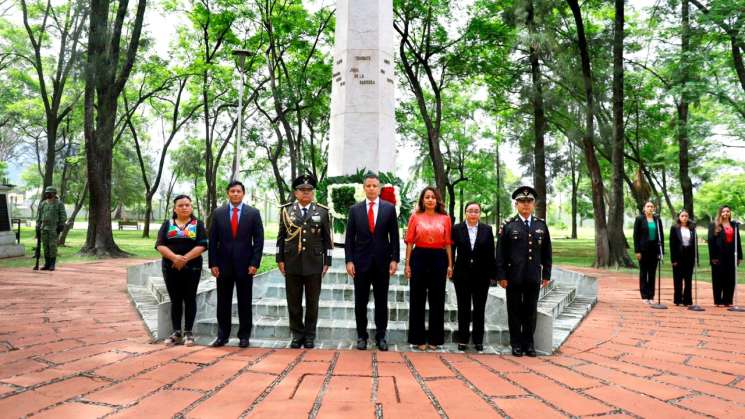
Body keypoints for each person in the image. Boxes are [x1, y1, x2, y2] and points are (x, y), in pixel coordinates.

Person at [345, 172, 400, 351]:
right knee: (360, 302)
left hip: (382, 263)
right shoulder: (355, 210)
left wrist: (394, 259)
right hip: (360, 264)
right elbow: (349, 238)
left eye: (374, 186)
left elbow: (395, 237)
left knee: (381, 302)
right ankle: (362, 336)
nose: (371, 188)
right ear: (364, 188)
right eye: (368, 186)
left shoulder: (389, 209)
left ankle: (381, 336)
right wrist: (349, 261)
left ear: (379, 188)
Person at [276, 174, 333, 349]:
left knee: (312, 302)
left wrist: (327, 261)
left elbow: (327, 240)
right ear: (296, 192)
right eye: (302, 190)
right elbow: (281, 238)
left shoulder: (322, 212)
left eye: (309, 190)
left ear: (313, 192)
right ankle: (297, 334)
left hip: (314, 263)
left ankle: (309, 335)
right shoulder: (286, 211)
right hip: (292, 261)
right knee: (293, 301)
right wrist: (279, 259)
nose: (306, 193)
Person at [496, 186, 552, 357]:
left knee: (530, 310)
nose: (526, 205)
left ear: (533, 204)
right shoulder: (508, 226)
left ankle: (529, 344)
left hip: (533, 276)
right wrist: (501, 276)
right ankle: (516, 344)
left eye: (529, 202)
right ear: (516, 204)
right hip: (513, 277)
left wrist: (546, 275)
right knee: (514, 311)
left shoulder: (540, 225)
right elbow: (500, 253)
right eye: (522, 201)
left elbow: (546, 252)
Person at [208, 180, 264, 348]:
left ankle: (244, 336)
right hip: (223, 265)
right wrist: (213, 263)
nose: (235, 194)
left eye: (238, 191)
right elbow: (213, 241)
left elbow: (259, 240)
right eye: (232, 191)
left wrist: (255, 263)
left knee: (244, 302)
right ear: (228, 193)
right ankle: (222, 335)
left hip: (246, 265)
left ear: (243, 193)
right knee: (223, 302)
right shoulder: (218, 213)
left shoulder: (253, 213)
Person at [155, 195, 208, 346]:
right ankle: (176, 332)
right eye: (181, 205)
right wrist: (174, 258)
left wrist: (184, 259)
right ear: (175, 208)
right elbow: (160, 244)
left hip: (192, 268)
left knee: (190, 298)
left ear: (191, 207)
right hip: (170, 268)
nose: (184, 207)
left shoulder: (198, 224)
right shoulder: (167, 224)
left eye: (187, 205)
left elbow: (202, 244)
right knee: (175, 299)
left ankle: (189, 332)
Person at [404, 187, 453, 351]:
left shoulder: (445, 218)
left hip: (439, 259)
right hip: (419, 257)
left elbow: (447, 244)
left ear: (437, 200)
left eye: (433, 197)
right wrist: (407, 264)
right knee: (417, 299)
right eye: (427, 197)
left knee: (437, 299)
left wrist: (450, 265)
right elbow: (410, 242)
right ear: (422, 200)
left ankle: (435, 339)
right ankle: (417, 339)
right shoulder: (415, 217)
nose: (430, 200)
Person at [451, 201, 496, 352]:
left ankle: (478, 340)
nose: (473, 213)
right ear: (465, 212)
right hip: (461, 274)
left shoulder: (487, 230)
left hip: (481, 276)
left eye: (476, 211)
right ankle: (463, 339)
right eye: (470, 211)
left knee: (479, 309)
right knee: (463, 308)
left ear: (480, 213)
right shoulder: (457, 229)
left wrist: (492, 275)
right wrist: (450, 267)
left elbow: (491, 253)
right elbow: (451, 250)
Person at [708, 205, 742, 307]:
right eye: (723, 211)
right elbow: (711, 241)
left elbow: (738, 241)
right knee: (718, 278)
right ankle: (718, 300)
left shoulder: (734, 225)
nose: (726, 213)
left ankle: (728, 300)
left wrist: (739, 256)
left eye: (727, 211)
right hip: (718, 255)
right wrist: (713, 257)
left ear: (730, 213)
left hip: (731, 254)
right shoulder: (714, 225)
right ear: (720, 213)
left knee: (730, 278)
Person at [633, 201, 664, 304]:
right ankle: (644, 296)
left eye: (652, 206)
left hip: (654, 250)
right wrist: (637, 251)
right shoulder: (639, 219)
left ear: (654, 208)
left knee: (652, 273)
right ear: (644, 208)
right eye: (648, 206)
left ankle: (651, 296)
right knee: (643, 273)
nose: (650, 208)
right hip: (643, 250)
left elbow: (661, 236)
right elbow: (636, 236)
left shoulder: (657, 220)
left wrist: (661, 251)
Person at [35, 186, 67, 271]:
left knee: (52, 246)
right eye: (46, 192)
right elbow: (39, 215)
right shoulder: (43, 203)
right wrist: (38, 224)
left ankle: (52, 264)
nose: (47, 194)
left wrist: (61, 225)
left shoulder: (59, 203)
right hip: (44, 228)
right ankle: (47, 264)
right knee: (45, 246)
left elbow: (63, 215)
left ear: (54, 194)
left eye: (49, 192)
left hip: (53, 228)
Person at [669, 209, 696, 306]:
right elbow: (672, 244)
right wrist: (673, 259)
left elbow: (694, 244)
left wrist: (696, 257)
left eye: (686, 216)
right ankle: (678, 299)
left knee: (688, 279)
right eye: (682, 216)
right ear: (679, 217)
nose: (684, 218)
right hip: (678, 255)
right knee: (678, 279)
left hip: (689, 255)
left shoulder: (692, 228)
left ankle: (687, 300)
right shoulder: (674, 228)